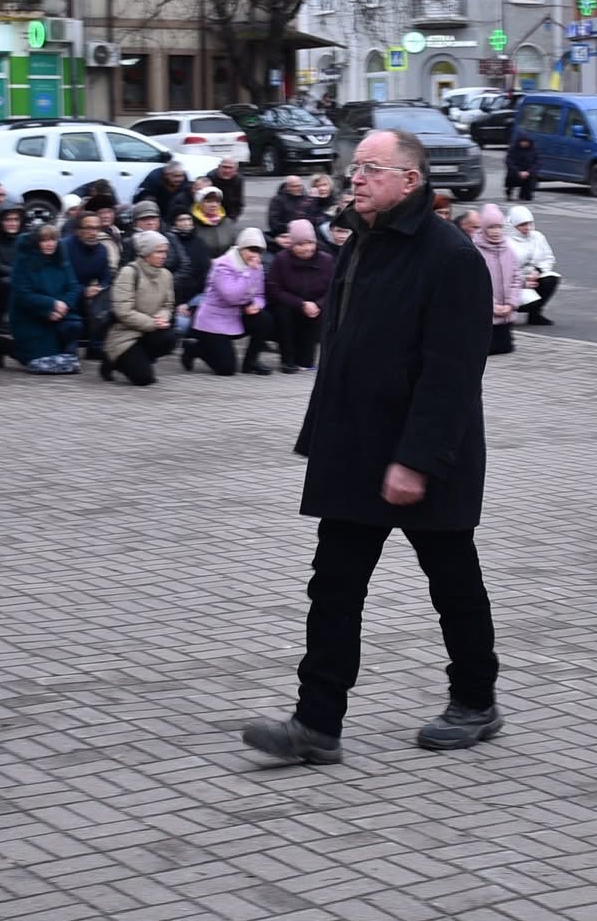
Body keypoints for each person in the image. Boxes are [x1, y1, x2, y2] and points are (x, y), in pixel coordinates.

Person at [242, 129, 498, 766]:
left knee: (453, 583)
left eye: (371, 170)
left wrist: (415, 461)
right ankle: (316, 724)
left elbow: (453, 374)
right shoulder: (362, 242)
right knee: (333, 587)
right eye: (354, 169)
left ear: (410, 180)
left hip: (426, 458)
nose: (355, 179)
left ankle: (476, 700)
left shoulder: (449, 256)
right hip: (356, 451)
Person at [186, 226, 273, 376]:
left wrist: (256, 305)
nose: (254, 254)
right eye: (251, 249)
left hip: (237, 317)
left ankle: (251, 362)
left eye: (258, 251)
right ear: (241, 248)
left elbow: (259, 294)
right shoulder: (223, 265)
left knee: (264, 319)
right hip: (214, 322)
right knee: (226, 369)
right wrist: (248, 272)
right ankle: (195, 348)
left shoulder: (256, 267)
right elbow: (231, 296)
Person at [101, 230, 179, 386]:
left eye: (165, 251)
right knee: (144, 379)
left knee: (169, 339)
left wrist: (163, 316)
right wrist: (152, 323)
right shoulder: (129, 272)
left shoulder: (166, 275)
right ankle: (111, 359)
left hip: (148, 331)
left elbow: (168, 305)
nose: (164, 255)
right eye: (159, 251)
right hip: (124, 334)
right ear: (146, 252)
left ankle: (137, 360)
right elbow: (123, 311)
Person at [8, 222, 82, 367]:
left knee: (74, 326)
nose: (50, 244)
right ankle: (5, 346)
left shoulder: (61, 260)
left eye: (53, 240)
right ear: (36, 242)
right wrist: (50, 305)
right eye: (44, 240)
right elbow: (23, 295)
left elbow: (74, 287)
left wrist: (63, 305)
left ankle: (65, 346)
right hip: (30, 317)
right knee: (38, 359)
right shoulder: (24, 263)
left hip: (60, 313)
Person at [267, 219, 333, 373]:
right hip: (289, 305)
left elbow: (332, 288)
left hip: (315, 307)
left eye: (310, 243)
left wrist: (318, 304)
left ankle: (305, 357)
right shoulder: (281, 259)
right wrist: (300, 303)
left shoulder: (326, 260)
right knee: (283, 312)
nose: (306, 248)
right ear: (292, 245)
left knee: (305, 362)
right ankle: (287, 359)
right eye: (300, 244)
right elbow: (273, 288)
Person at [64, 209, 119, 352]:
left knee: (109, 298)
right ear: (78, 230)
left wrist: (101, 288)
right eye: (88, 228)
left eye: (96, 228)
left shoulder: (101, 250)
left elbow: (106, 276)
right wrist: (83, 290)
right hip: (67, 294)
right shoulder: (65, 247)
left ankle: (96, 346)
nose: (94, 233)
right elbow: (62, 278)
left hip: (91, 295)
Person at [472, 205, 520, 356]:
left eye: (499, 227)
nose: (496, 231)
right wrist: (493, 305)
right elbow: (476, 285)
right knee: (487, 349)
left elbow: (516, 277)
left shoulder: (508, 250)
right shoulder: (476, 251)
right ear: (484, 228)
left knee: (505, 348)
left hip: (506, 311)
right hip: (486, 314)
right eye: (492, 227)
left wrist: (511, 303)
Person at [504, 206, 559, 326]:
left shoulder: (537, 237)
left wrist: (537, 271)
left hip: (532, 277)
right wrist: (523, 282)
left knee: (551, 278)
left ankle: (535, 315)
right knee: (530, 301)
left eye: (528, 224)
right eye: (522, 224)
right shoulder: (506, 242)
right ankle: (508, 312)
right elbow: (505, 271)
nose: (526, 228)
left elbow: (548, 258)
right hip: (514, 284)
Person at [503, 134, 539, 203]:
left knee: (528, 195)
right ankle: (509, 191)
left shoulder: (533, 150)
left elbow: (537, 163)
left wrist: (529, 172)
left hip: (528, 172)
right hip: (516, 172)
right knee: (511, 177)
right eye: (523, 142)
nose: (524, 143)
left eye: (526, 142)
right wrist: (517, 171)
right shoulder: (513, 149)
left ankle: (525, 193)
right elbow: (509, 161)